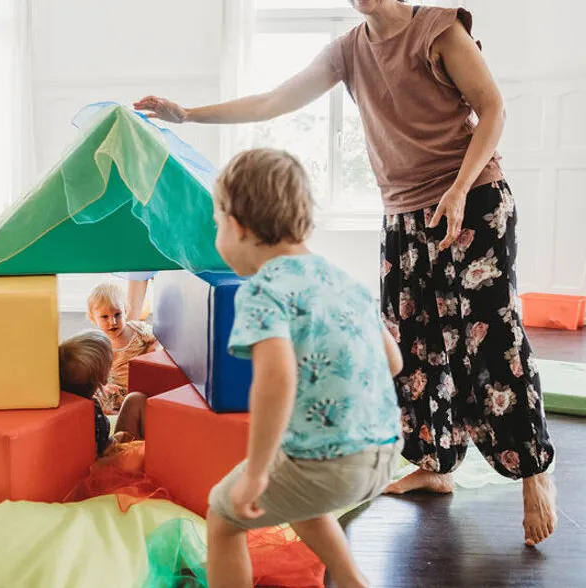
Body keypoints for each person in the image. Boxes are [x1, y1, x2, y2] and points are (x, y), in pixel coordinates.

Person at [135, 0, 557, 547]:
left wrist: (457, 189)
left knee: (489, 337)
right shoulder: (349, 50)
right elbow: (273, 100)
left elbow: (493, 108)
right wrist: (188, 115)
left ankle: (533, 471)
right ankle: (436, 463)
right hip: (405, 212)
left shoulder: (439, 28)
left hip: (471, 199)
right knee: (416, 342)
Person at [205, 148, 403, 588]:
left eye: (218, 225)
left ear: (237, 226)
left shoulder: (262, 290)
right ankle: (353, 581)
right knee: (296, 485)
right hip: (385, 453)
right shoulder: (341, 278)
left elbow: (275, 378)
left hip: (329, 464)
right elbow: (394, 361)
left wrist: (255, 474)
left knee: (222, 516)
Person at [59, 330, 147, 455]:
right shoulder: (90, 413)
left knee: (134, 399)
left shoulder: (64, 399)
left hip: (103, 449)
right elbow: (101, 453)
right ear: (102, 378)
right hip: (105, 463)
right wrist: (116, 442)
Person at [86, 283, 161, 421]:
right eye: (104, 317)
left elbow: (159, 337)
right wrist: (104, 386)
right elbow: (95, 372)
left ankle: (131, 414)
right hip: (117, 390)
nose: (113, 322)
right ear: (93, 318)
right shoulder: (99, 343)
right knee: (93, 398)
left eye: (117, 314)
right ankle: (115, 417)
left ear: (126, 311)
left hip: (142, 385)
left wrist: (151, 350)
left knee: (151, 397)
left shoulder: (137, 329)